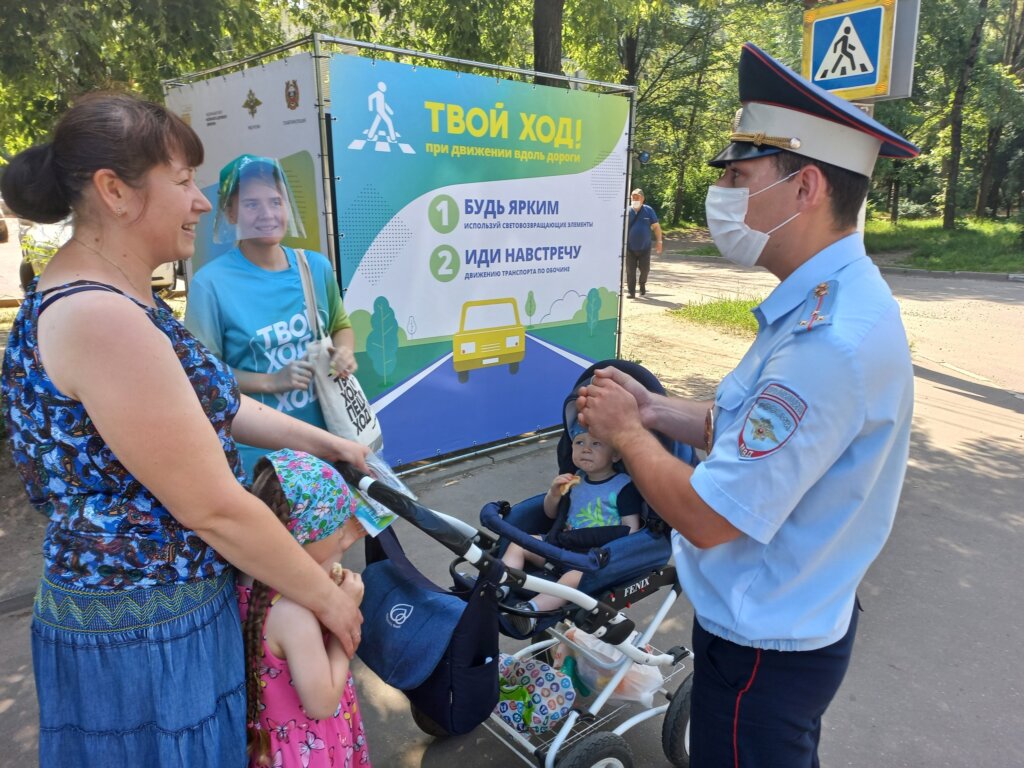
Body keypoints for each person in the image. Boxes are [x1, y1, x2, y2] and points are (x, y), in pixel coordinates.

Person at [0, 92, 370, 767]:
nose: (202, 202)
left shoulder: (115, 294)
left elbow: (218, 403)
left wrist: (332, 443)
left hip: (143, 620)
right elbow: (212, 506)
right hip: (146, 637)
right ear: (115, 192)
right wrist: (328, 600)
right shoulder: (103, 318)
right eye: (182, 182)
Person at [576, 42, 919, 767]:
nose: (724, 193)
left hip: (762, 644)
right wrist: (655, 408)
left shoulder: (829, 344)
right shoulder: (823, 307)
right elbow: (744, 430)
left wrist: (627, 435)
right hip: (786, 617)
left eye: (740, 176)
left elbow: (710, 518)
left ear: (806, 189)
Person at [185, 154, 360, 476]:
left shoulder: (314, 267)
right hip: (263, 463)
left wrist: (344, 351)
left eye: (275, 201)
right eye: (251, 204)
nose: (267, 214)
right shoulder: (210, 284)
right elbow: (203, 377)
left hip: (331, 445)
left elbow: (341, 326)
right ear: (230, 212)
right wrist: (271, 381)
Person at [240, 449, 371, 768]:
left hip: (272, 745)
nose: (344, 538)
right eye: (337, 529)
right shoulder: (293, 614)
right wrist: (346, 621)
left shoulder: (245, 577)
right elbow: (322, 703)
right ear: (301, 539)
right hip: (314, 748)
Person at [500, 423, 642, 635]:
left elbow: (631, 530)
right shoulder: (575, 479)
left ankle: (531, 611)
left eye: (596, 443)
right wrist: (554, 494)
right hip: (560, 546)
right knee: (519, 543)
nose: (586, 448)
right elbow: (551, 514)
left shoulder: (623, 486)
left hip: (591, 559)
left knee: (573, 579)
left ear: (615, 455)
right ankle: (499, 586)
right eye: (579, 442)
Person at [624, 188, 663, 298]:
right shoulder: (627, 211)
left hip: (645, 247)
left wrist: (659, 241)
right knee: (630, 271)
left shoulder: (648, 210)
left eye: (637, 196)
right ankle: (631, 292)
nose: (635, 198)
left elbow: (656, 227)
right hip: (629, 248)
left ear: (643, 198)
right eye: (633, 196)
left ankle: (642, 284)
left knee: (645, 269)